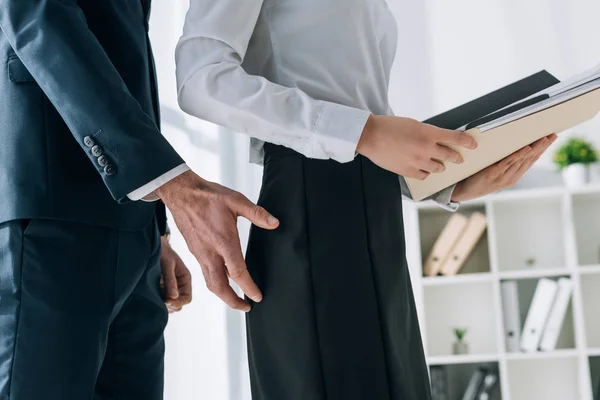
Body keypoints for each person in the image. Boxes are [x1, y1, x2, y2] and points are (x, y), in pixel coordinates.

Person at [175, 1, 557, 399]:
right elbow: (201, 79)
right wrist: (367, 134)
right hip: (312, 221)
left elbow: (362, 120)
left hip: (377, 218)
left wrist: (442, 179)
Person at [0, 1, 280, 399]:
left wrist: (156, 223)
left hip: (136, 230)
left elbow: (121, 48)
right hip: (49, 208)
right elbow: (41, 21)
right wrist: (172, 185)